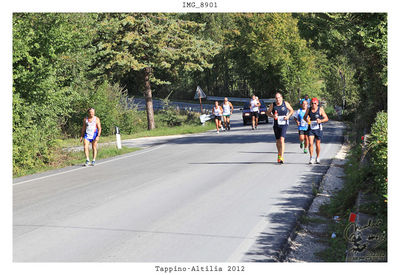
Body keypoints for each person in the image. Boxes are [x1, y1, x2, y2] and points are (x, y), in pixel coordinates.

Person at [267, 92, 294, 164]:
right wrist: (273, 116)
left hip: (284, 123)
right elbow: (268, 113)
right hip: (276, 124)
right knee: (278, 141)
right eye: (276, 98)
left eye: (279, 98)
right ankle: (279, 154)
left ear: (281, 97)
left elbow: (291, 110)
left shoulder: (285, 104)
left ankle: (281, 156)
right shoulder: (273, 105)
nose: (277, 99)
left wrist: (288, 116)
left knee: (282, 140)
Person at [304, 98, 329, 164]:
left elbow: (326, 118)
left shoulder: (320, 110)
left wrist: (320, 121)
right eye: (312, 103)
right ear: (310, 104)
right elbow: (304, 117)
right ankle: (311, 157)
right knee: (311, 143)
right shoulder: (308, 110)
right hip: (311, 129)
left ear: (317, 103)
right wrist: (307, 120)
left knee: (317, 144)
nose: (313, 105)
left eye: (315, 103)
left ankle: (317, 157)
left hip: (318, 129)